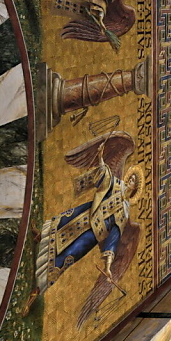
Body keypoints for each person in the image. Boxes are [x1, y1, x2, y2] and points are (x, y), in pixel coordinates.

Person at [27, 132, 140, 309]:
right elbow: (104, 176)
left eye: (134, 181)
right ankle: (40, 237)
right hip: (82, 215)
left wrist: (108, 266)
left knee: (68, 255)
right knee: (58, 226)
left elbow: (114, 238)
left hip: (91, 235)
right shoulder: (116, 185)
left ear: (135, 189)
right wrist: (101, 157)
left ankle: (38, 288)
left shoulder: (124, 213)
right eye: (131, 177)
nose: (130, 180)